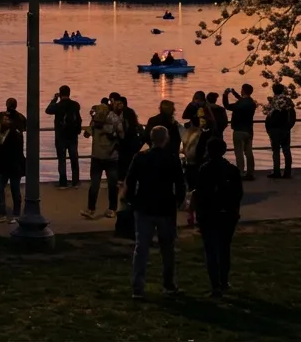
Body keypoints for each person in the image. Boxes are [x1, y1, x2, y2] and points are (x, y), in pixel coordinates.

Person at [123, 126, 187, 300]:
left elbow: (130, 180)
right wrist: (179, 201)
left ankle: (138, 287)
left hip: (144, 206)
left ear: (151, 139)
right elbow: (180, 183)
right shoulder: (172, 159)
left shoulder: (140, 158)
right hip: (165, 207)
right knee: (167, 248)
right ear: (165, 139)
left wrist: (131, 200)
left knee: (141, 247)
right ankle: (168, 284)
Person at [193, 137, 243, 297]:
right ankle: (224, 281)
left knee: (211, 249)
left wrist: (197, 212)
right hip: (227, 214)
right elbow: (238, 193)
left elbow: (200, 193)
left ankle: (216, 285)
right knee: (224, 248)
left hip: (209, 214)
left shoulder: (204, 169)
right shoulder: (232, 170)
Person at [82, 103, 122, 219]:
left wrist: (93, 123)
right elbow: (120, 136)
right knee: (112, 185)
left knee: (95, 185)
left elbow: (85, 134)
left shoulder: (95, 123)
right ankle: (112, 209)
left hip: (97, 157)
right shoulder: (114, 121)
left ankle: (91, 209)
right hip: (112, 158)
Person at [46, 86, 83, 188]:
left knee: (62, 160)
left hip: (61, 136)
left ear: (60, 93)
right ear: (69, 93)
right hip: (73, 136)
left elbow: (48, 110)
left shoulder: (58, 105)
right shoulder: (75, 105)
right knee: (74, 159)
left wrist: (54, 99)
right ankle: (75, 182)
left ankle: (63, 183)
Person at [222, 85, 257, 181]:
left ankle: (241, 172)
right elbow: (242, 100)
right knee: (249, 152)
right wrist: (234, 93)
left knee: (239, 153)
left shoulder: (239, 104)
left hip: (238, 130)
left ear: (243, 91)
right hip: (249, 130)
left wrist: (225, 95)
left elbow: (227, 106)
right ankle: (250, 172)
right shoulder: (252, 103)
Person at [262, 84, 296, 178]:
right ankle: (287, 172)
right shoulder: (288, 100)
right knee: (286, 150)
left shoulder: (272, 101)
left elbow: (267, 114)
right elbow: (292, 113)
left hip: (274, 129)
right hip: (285, 129)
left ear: (273, 90)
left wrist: (268, 128)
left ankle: (276, 172)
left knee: (276, 151)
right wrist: (289, 126)